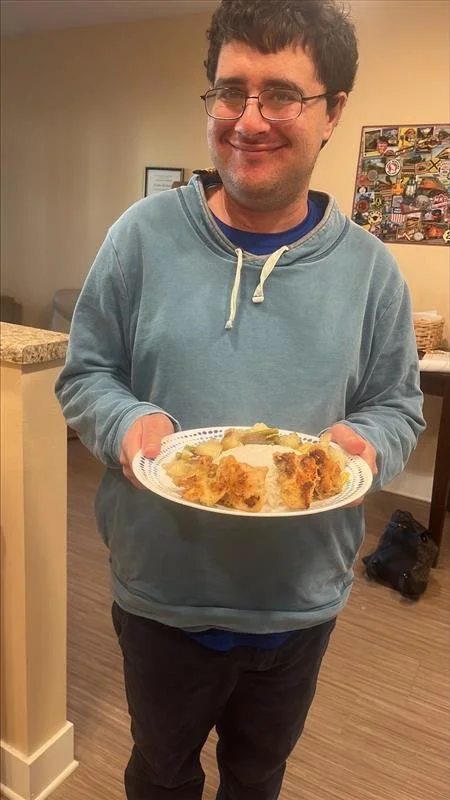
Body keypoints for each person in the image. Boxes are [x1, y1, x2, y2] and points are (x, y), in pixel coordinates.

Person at [55, 1, 425, 798]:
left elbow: (398, 406)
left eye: (282, 94)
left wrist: (365, 444)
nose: (249, 120)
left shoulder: (370, 271)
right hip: (161, 596)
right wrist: (128, 420)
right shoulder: (139, 237)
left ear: (333, 113)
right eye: (230, 91)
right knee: (160, 772)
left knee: (257, 775)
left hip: (298, 602)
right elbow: (84, 375)